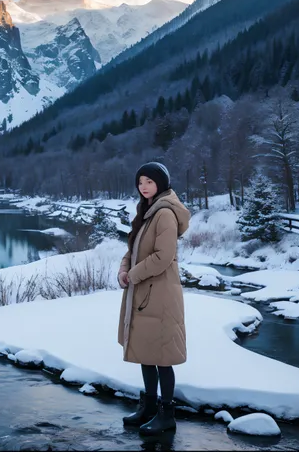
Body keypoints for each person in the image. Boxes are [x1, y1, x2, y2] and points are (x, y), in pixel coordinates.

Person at [116, 162, 190, 435]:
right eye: (140, 182)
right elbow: (133, 249)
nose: (143, 187)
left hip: (160, 294)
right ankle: (148, 407)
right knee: (146, 352)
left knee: (162, 355)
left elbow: (163, 257)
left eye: (148, 181)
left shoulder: (165, 214)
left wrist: (133, 275)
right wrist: (124, 270)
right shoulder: (146, 212)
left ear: (161, 183)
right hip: (144, 293)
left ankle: (167, 414)